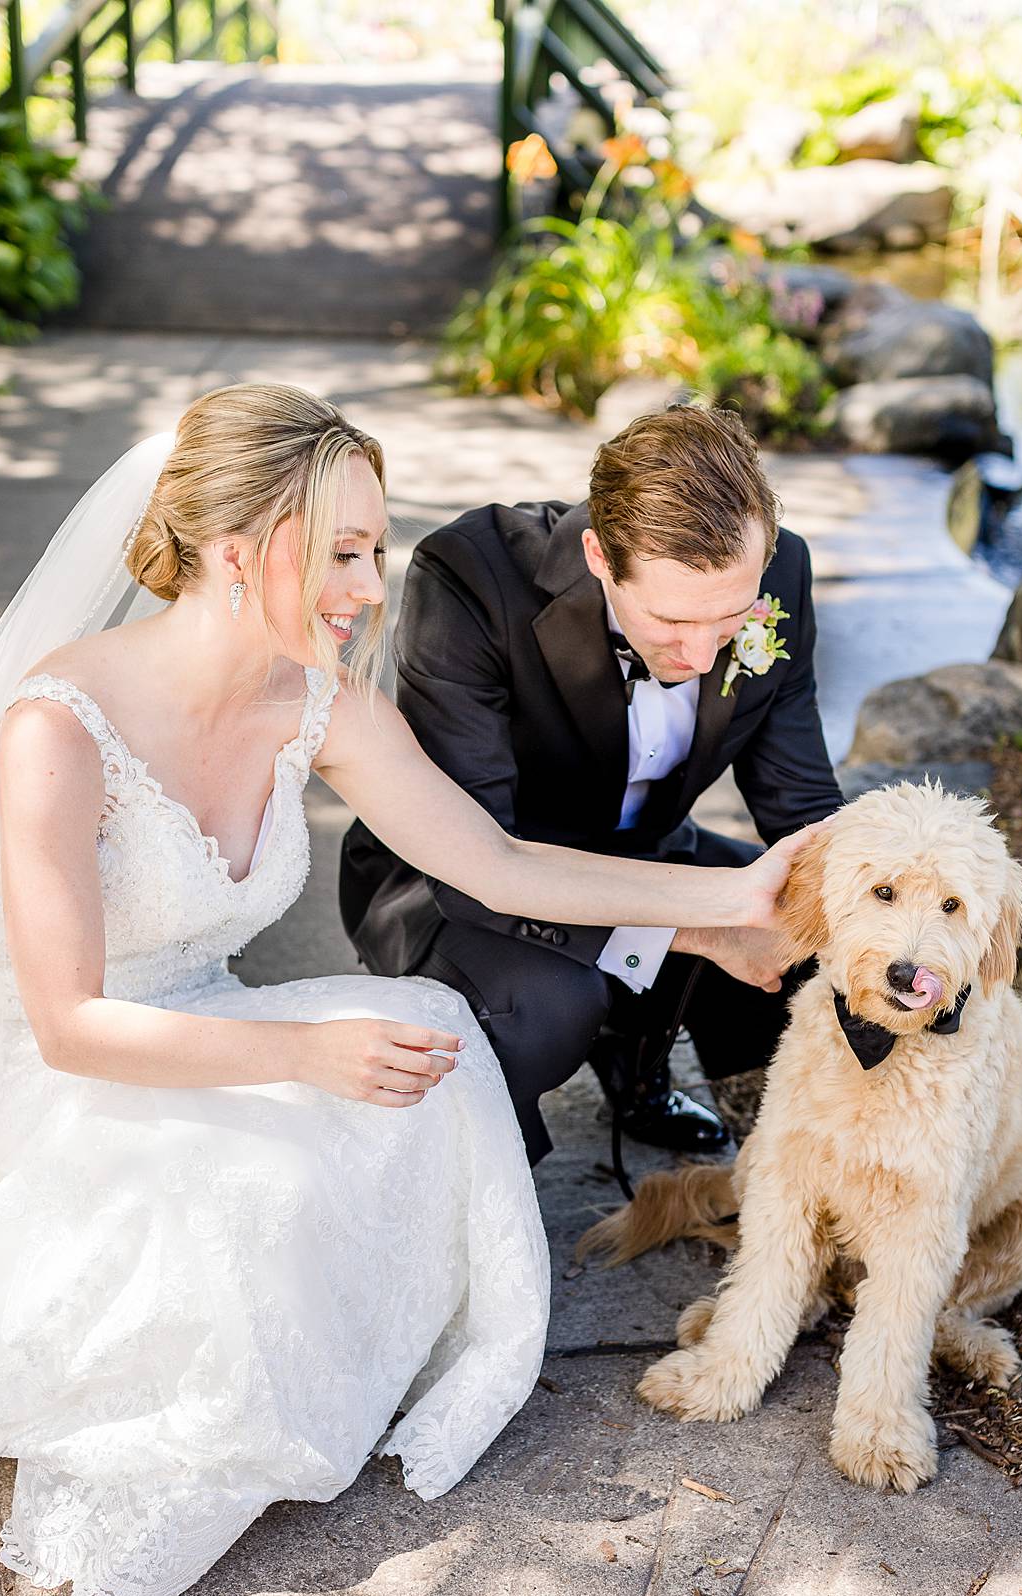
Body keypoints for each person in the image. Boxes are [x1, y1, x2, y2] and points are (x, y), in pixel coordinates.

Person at [0, 384, 820, 1596]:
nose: (369, 585)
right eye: (343, 552)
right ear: (240, 553)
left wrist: (728, 904)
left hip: (210, 1016)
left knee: (432, 1047)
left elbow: (498, 863)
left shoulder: (320, 701)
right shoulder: (58, 727)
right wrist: (301, 1050)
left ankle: (374, 1339)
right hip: (77, 1068)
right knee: (277, 1185)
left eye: (375, 549)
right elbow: (71, 1024)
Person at [340, 402, 845, 1166]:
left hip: (651, 851)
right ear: (600, 557)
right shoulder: (473, 579)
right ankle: (461, 1180)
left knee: (820, 947)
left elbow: (801, 804)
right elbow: (478, 864)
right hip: (463, 883)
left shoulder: (783, 571)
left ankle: (767, 1165)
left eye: (731, 619)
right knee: (552, 1002)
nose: (705, 656)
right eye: (672, 622)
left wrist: (892, 909)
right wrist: (700, 930)